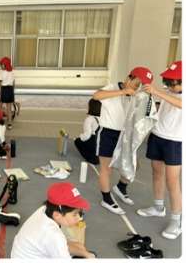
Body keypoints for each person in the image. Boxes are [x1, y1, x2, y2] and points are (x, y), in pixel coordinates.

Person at [92, 67, 153, 215]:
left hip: (126, 134)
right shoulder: (112, 87)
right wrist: (122, 92)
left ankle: (120, 187)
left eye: (140, 86)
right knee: (106, 168)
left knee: (132, 165)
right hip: (108, 133)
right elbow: (96, 95)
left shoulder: (138, 94)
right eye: (136, 84)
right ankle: (106, 199)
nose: (137, 88)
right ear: (129, 78)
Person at [137, 61, 182, 240]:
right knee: (157, 173)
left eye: (174, 83)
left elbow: (180, 104)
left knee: (173, 182)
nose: (170, 86)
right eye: (168, 82)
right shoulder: (169, 92)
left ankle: (177, 221)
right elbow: (165, 107)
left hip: (175, 141)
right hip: (158, 135)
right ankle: (158, 207)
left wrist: (157, 92)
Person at [10, 182, 94, 259]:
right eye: (75, 214)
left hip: (22, 255)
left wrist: (86, 254)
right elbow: (57, 242)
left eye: (80, 212)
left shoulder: (44, 209)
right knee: (83, 253)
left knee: (80, 247)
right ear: (57, 215)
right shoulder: (54, 235)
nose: (79, 218)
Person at [74, 99, 101, 165]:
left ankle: (91, 158)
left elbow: (87, 135)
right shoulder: (103, 118)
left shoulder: (89, 119)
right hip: (102, 143)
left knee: (77, 141)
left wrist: (79, 137)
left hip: (93, 141)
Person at [0, 57, 15, 129]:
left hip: (3, 89)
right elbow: (13, 83)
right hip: (10, 90)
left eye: (2, 64)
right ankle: (9, 124)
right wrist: (13, 92)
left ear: (5, 64)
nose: (1, 66)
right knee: (9, 108)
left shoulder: (2, 73)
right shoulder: (12, 72)